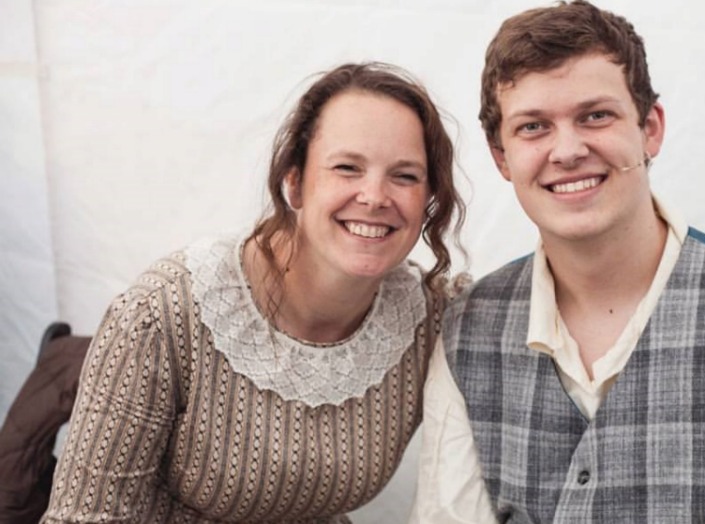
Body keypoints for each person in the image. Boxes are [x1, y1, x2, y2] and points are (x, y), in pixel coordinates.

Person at [411, 0, 705, 524]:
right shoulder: (468, 326)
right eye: (533, 127)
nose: (566, 150)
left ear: (650, 128)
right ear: (501, 155)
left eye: (596, 116)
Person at [41, 62, 464, 523]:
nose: (375, 195)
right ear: (295, 182)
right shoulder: (165, 312)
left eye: (404, 176)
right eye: (347, 167)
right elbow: (83, 516)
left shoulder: (429, 318)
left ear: (428, 199)